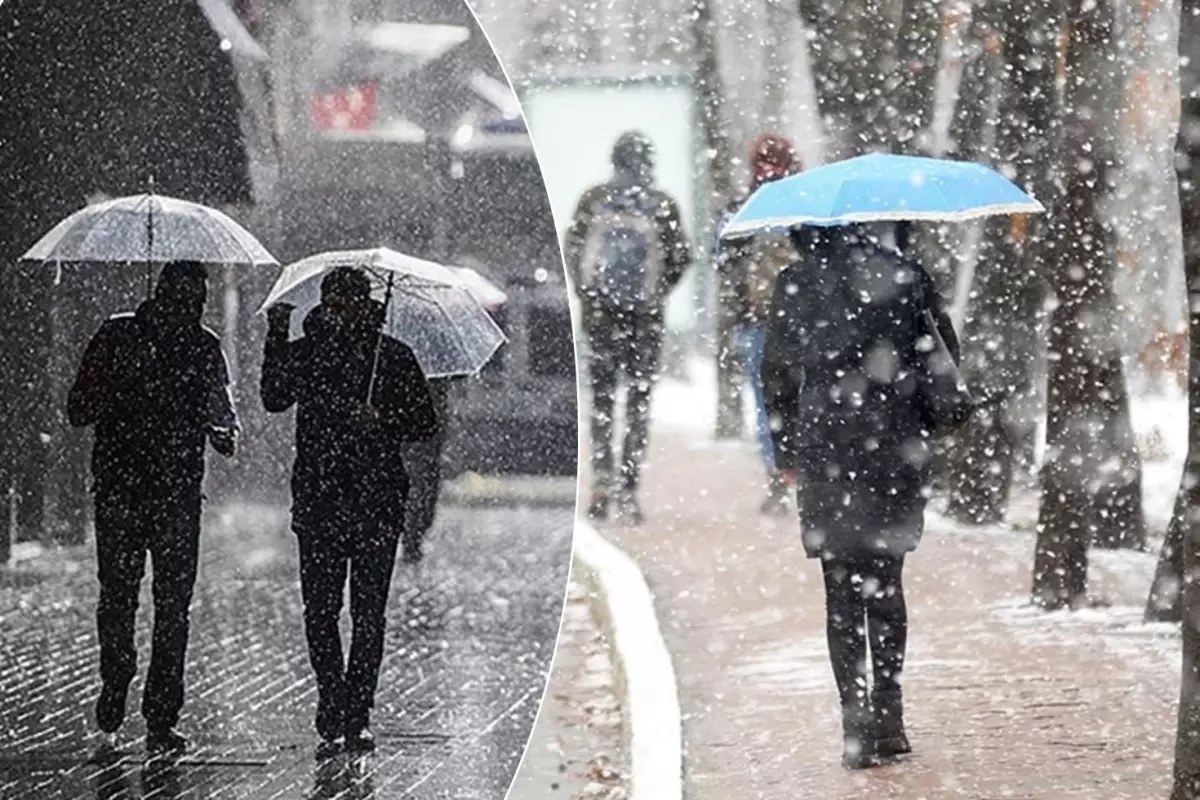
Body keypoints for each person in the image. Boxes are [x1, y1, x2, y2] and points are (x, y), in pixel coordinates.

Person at [761, 224, 960, 769]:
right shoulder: (906, 275)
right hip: (894, 446)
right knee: (887, 582)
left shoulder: (796, 281)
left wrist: (785, 452)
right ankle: (890, 718)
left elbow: (775, 372)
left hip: (826, 447)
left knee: (840, 588)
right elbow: (943, 354)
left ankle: (855, 722)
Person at [261, 267, 438, 755]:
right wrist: (277, 336)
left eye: (350, 303)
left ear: (366, 304)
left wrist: (381, 418)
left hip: (377, 499)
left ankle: (357, 712)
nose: (341, 313)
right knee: (320, 611)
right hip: (319, 499)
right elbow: (274, 397)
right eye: (334, 303)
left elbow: (424, 422)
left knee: (368, 614)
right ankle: (331, 697)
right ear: (325, 304)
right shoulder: (309, 350)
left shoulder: (393, 357)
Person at [67, 260, 240, 755]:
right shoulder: (118, 337)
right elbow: (78, 407)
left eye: (196, 301)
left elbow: (222, 419)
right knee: (131, 600)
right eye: (185, 298)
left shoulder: (202, 346)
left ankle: (159, 711)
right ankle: (122, 679)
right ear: (162, 293)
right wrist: (123, 385)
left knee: (164, 607)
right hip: (133, 492)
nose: (190, 309)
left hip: (171, 495)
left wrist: (220, 432)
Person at [563, 130, 692, 525]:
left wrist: (590, 296)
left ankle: (601, 482)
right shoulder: (660, 203)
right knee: (638, 403)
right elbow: (682, 257)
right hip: (644, 322)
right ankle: (629, 489)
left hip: (601, 319)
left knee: (602, 403)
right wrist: (655, 293)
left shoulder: (594, 199)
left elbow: (572, 249)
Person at [715, 133, 803, 514]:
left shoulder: (741, 207)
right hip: (804, 324)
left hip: (758, 322)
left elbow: (721, 259)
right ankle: (806, 473)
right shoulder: (806, 206)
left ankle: (777, 475)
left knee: (768, 405)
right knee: (805, 399)